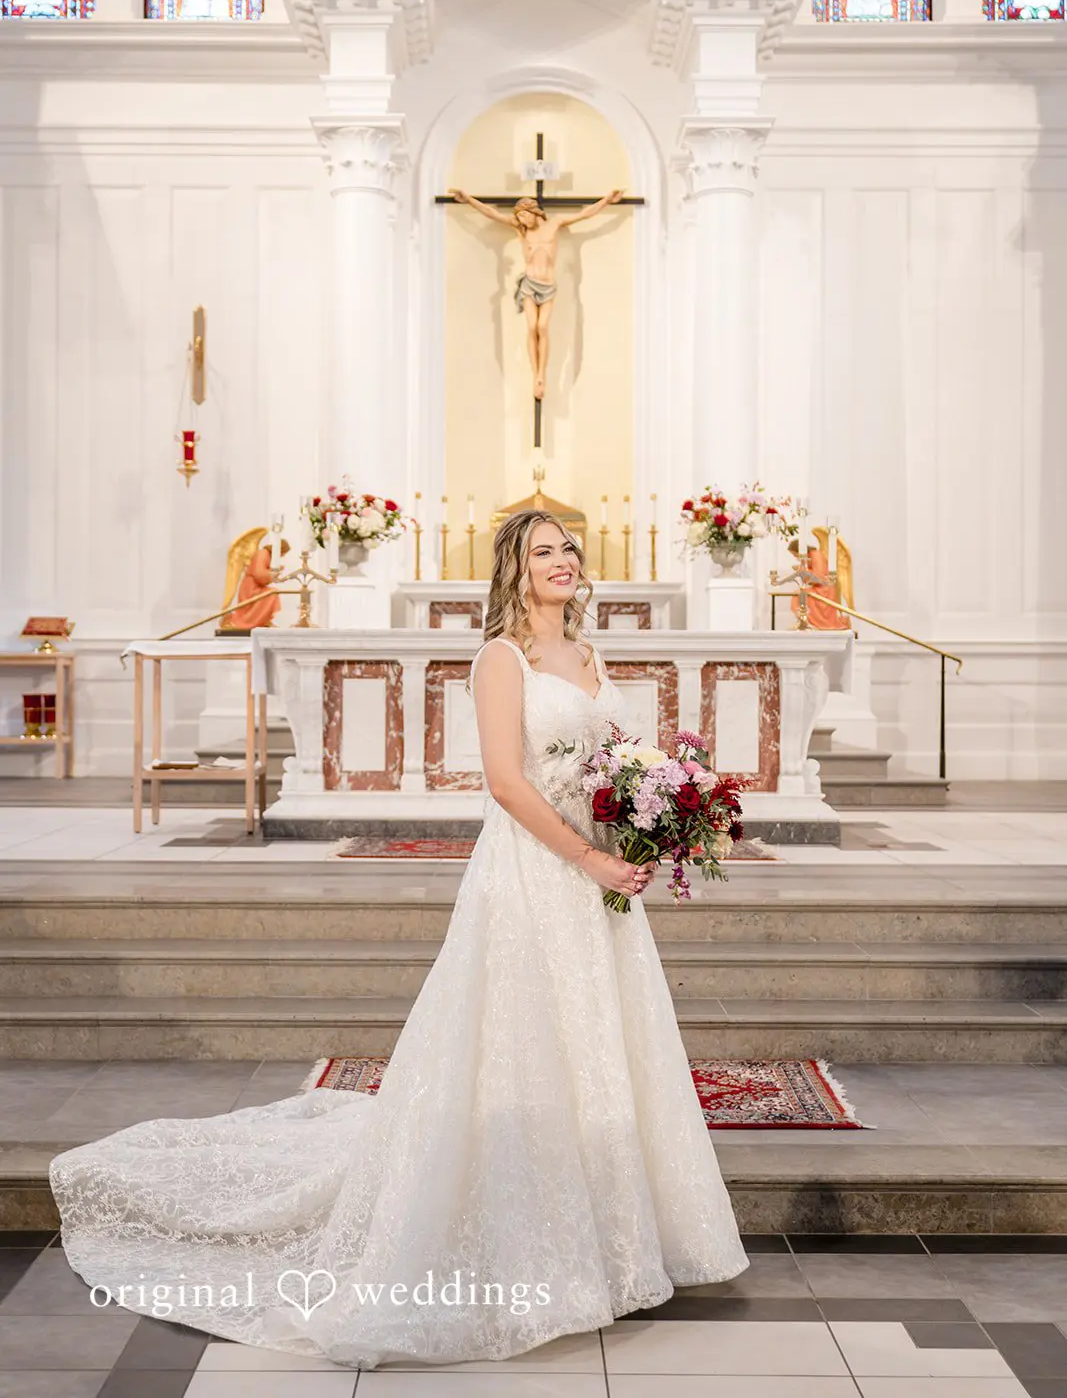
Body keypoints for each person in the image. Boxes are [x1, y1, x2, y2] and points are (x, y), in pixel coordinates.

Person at [50, 509, 747, 1369]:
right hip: (536, 873)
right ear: (515, 570)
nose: (561, 561)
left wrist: (655, 814)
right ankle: (536, 1246)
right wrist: (584, 858)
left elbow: (616, 763)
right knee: (524, 1042)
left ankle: (614, 1235)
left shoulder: (592, 656)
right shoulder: (503, 660)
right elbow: (503, 781)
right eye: (542, 552)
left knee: (603, 1044)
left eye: (568, 548)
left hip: (602, 877)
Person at [449, 187, 625, 400]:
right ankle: (537, 376)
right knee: (532, 326)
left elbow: (584, 214)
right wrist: (468, 199)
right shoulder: (522, 230)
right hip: (530, 284)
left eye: (523, 215)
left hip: (548, 285)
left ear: (533, 211)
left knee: (543, 326)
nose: (521, 220)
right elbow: (491, 213)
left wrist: (606, 200)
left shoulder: (554, 225)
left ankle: (543, 371)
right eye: (519, 218)